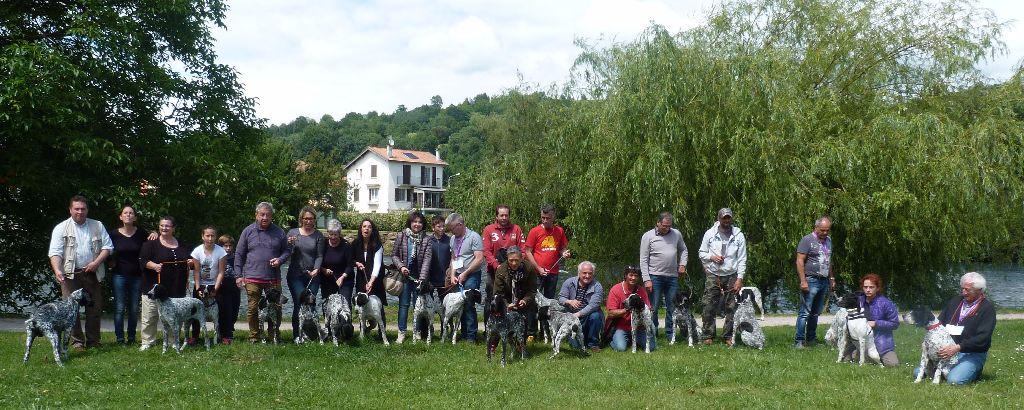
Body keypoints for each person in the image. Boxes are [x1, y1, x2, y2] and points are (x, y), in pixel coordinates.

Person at [47, 195, 113, 350]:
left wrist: (96, 263)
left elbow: (108, 247)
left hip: (93, 272)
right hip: (70, 275)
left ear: (87, 210)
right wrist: (57, 270)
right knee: (71, 310)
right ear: (70, 210)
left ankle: (94, 341)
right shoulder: (61, 228)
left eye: (83, 209)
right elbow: (55, 252)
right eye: (76, 209)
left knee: (95, 307)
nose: (80, 212)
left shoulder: (97, 225)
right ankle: (77, 342)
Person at [919, 271, 997, 384]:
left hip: (972, 353)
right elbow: (939, 323)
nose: (963, 292)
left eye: (967, 290)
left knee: (954, 380)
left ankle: (973, 370)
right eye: (962, 289)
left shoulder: (987, 309)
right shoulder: (955, 301)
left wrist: (958, 347)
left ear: (979, 291)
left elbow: (983, 338)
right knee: (918, 372)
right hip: (948, 351)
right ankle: (948, 371)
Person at [234, 202, 291, 344]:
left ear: (272, 216)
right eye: (262, 214)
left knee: (276, 309)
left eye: (268, 215)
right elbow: (239, 254)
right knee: (253, 308)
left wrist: (280, 259)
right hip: (252, 277)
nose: (265, 217)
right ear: (256, 215)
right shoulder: (248, 231)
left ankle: (274, 336)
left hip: (273, 278)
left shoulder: (279, 232)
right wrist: (238, 275)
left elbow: (287, 251)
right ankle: (254, 336)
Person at [138, 216, 192, 351]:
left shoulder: (182, 243)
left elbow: (190, 259)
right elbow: (143, 261)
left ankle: (174, 340)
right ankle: (148, 341)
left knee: (175, 317)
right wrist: (154, 266)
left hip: (176, 287)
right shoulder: (150, 244)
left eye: (167, 226)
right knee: (150, 316)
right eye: (162, 225)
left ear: (173, 228)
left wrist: (191, 262)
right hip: (153, 288)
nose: (164, 228)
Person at [697, 207, 747, 346]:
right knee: (709, 305)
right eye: (724, 218)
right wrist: (711, 257)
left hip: (732, 274)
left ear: (731, 219)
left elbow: (742, 258)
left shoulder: (738, 235)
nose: (726, 220)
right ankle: (708, 335)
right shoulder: (710, 234)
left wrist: (740, 278)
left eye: (728, 218)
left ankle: (728, 335)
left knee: (732, 307)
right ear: (719, 218)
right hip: (714, 274)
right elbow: (701, 253)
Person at [639, 211, 688, 341]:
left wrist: (683, 264)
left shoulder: (676, 234)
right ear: (658, 223)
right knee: (653, 307)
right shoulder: (648, 236)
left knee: (672, 307)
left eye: (669, 226)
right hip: (654, 276)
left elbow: (683, 249)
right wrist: (646, 279)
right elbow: (643, 260)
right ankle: (652, 333)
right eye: (664, 226)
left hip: (672, 277)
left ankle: (670, 335)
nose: (667, 228)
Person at [524, 204, 570, 339]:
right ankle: (531, 333)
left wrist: (564, 253)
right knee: (533, 302)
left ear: (553, 217)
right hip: (536, 273)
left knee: (550, 303)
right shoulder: (534, 231)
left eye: (548, 218)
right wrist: (538, 268)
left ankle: (547, 331)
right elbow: (527, 251)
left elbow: (562, 248)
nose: (545, 220)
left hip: (553, 272)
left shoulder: (559, 231)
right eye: (543, 218)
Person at [108, 205, 148, 345]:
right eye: (125, 213)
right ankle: (120, 338)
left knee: (133, 308)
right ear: (121, 217)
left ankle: (131, 337)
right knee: (119, 308)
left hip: (137, 275)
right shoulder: (113, 234)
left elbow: (151, 247)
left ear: (135, 217)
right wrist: (110, 262)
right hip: (119, 275)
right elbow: (105, 251)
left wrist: (155, 232)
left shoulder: (142, 234)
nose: (129, 215)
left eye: (131, 213)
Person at [794, 216, 836, 348]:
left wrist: (831, 278)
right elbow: (799, 261)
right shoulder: (807, 240)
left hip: (823, 280)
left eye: (827, 230)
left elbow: (828, 261)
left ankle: (811, 340)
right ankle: (799, 341)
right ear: (816, 227)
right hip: (810, 280)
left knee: (815, 312)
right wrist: (803, 281)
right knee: (804, 312)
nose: (825, 233)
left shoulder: (828, 241)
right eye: (822, 230)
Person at [392, 211, 432, 344]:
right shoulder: (402, 236)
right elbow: (394, 255)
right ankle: (401, 332)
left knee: (418, 305)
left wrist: (421, 279)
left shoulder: (427, 239)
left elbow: (427, 259)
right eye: (415, 221)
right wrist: (401, 267)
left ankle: (418, 331)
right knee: (403, 305)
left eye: (420, 222)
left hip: (419, 278)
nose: (417, 224)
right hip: (404, 277)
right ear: (410, 222)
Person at [286, 206, 325, 343]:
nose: (308, 221)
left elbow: (320, 255)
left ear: (314, 220)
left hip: (313, 276)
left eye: (311, 219)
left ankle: (311, 334)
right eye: (306, 218)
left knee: (311, 305)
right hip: (295, 275)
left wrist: (316, 269)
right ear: (301, 219)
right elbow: (287, 253)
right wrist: (289, 245)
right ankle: (297, 335)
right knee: (299, 303)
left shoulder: (318, 235)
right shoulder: (293, 233)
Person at [446, 212, 484, 342]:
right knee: (458, 305)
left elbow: (479, 259)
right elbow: (453, 258)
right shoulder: (453, 239)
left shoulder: (474, 237)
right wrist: (452, 275)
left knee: (469, 304)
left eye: (452, 228)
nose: (451, 231)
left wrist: (465, 274)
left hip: (472, 274)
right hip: (458, 275)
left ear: (460, 224)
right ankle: (462, 333)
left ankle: (471, 336)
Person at [482, 204, 526, 316]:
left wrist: (518, 264)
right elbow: (486, 251)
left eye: (506, 215)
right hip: (493, 271)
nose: (504, 218)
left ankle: (514, 328)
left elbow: (523, 250)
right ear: (496, 216)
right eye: (501, 215)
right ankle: (489, 329)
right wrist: (497, 266)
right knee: (491, 299)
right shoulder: (488, 230)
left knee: (513, 299)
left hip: (513, 271)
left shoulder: (516, 229)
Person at [492, 246, 538, 348]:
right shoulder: (501, 270)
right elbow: (498, 293)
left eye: (516, 260)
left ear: (521, 259)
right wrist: (507, 304)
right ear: (507, 258)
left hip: (523, 298)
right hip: (507, 299)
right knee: (500, 321)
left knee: (523, 320)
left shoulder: (529, 268)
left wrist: (525, 300)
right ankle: (493, 345)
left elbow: (532, 290)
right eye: (511, 260)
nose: (514, 263)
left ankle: (521, 345)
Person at [189, 225, 226, 345]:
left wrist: (215, 288)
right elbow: (197, 271)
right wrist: (198, 288)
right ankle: (195, 336)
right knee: (195, 311)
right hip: (201, 284)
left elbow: (221, 272)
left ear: (215, 237)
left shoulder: (221, 251)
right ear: (202, 236)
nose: (210, 238)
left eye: (212, 236)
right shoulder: (197, 251)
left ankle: (222, 336)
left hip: (214, 284)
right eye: (207, 236)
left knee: (221, 310)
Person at [605, 266, 654, 352]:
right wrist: (627, 309)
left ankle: (632, 340)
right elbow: (610, 313)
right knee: (620, 348)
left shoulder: (642, 291)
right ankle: (612, 339)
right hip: (621, 327)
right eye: (630, 275)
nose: (633, 278)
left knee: (652, 347)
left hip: (639, 328)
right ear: (625, 276)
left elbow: (648, 310)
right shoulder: (616, 289)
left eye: (636, 276)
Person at [558, 261, 604, 351]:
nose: (587, 276)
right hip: (573, 319)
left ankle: (593, 344)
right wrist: (569, 301)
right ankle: (578, 338)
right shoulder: (569, 282)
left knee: (596, 315)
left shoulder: (597, 286)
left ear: (593, 274)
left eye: (590, 273)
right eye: (584, 273)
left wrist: (578, 314)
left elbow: (593, 305)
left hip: (588, 316)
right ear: (579, 273)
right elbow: (560, 298)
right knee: (576, 347)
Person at [859, 273, 899, 367]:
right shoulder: (858, 301)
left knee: (893, 364)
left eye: (871, 287)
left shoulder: (886, 303)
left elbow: (895, 323)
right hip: (863, 344)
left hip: (882, 346)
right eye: (865, 287)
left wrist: (876, 323)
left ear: (877, 288)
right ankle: (868, 357)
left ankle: (877, 358)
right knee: (849, 358)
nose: (868, 290)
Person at [352, 218, 387, 326]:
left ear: (372, 230)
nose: (366, 229)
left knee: (378, 305)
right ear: (361, 229)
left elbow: (377, 266)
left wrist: (371, 282)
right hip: (361, 279)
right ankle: (365, 331)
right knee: (362, 305)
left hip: (376, 280)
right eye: (364, 226)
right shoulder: (356, 243)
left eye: (369, 227)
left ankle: (382, 333)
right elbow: (350, 258)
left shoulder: (377, 245)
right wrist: (356, 263)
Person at [321, 219, 354, 306]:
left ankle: (345, 320)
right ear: (328, 233)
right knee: (327, 306)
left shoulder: (346, 245)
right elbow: (318, 260)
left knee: (345, 306)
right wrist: (323, 270)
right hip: (327, 280)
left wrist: (342, 277)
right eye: (331, 234)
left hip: (345, 279)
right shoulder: (323, 244)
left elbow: (350, 265)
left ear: (339, 234)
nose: (333, 237)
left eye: (335, 234)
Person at [217, 234, 241, 344]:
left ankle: (230, 326)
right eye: (225, 246)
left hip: (235, 284)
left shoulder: (237, 257)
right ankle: (225, 334)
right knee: (226, 310)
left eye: (230, 246)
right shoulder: (217, 257)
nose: (228, 248)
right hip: (222, 285)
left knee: (235, 309)